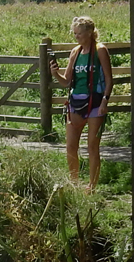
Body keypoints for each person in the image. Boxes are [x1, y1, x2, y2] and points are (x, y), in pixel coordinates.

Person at [49, 16, 114, 192]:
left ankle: (91, 186)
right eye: (74, 33)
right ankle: (74, 183)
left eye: (79, 33)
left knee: (92, 145)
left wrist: (105, 101)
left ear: (90, 33)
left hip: (95, 103)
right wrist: (55, 73)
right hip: (76, 102)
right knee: (70, 146)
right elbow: (66, 81)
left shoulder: (100, 50)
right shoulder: (75, 52)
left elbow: (109, 79)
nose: (76, 37)